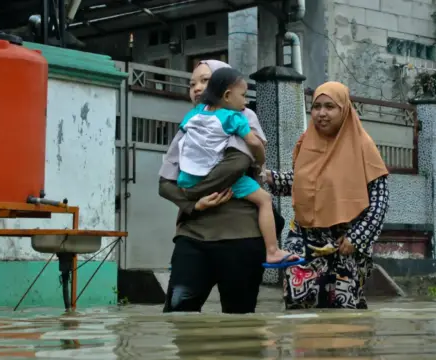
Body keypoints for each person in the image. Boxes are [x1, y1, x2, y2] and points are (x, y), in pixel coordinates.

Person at [158, 59, 271, 314]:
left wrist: (188, 193)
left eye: (205, 81)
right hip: (193, 235)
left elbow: (235, 165)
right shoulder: (189, 125)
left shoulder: (242, 116)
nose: (197, 88)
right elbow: (164, 183)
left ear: (227, 87)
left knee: (239, 322)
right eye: (192, 84)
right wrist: (193, 205)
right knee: (178, 314)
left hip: (239, 236)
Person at [266, 81, 390, 310]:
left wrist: (357, 238)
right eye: (316, 106)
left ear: (344, 109)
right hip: (305, 238)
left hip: (345, 242)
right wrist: (270, 177)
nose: (321, 113)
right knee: (298, 305)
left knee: (343, 316)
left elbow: (379, 202)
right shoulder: (306, 142)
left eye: (329, 107)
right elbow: (302, 182)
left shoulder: (363, 145)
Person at [174, 67, 298, 267]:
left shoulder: (195, 113)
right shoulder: (235, 117)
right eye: (243, 95)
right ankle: (273, 251)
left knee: (183, 215)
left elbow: (184, 131)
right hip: (217, 174)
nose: (246, 101)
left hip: (187, 177)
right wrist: (259, 163)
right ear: (227, 96)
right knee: (264, 200)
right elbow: (256, 144)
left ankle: (178, 253)